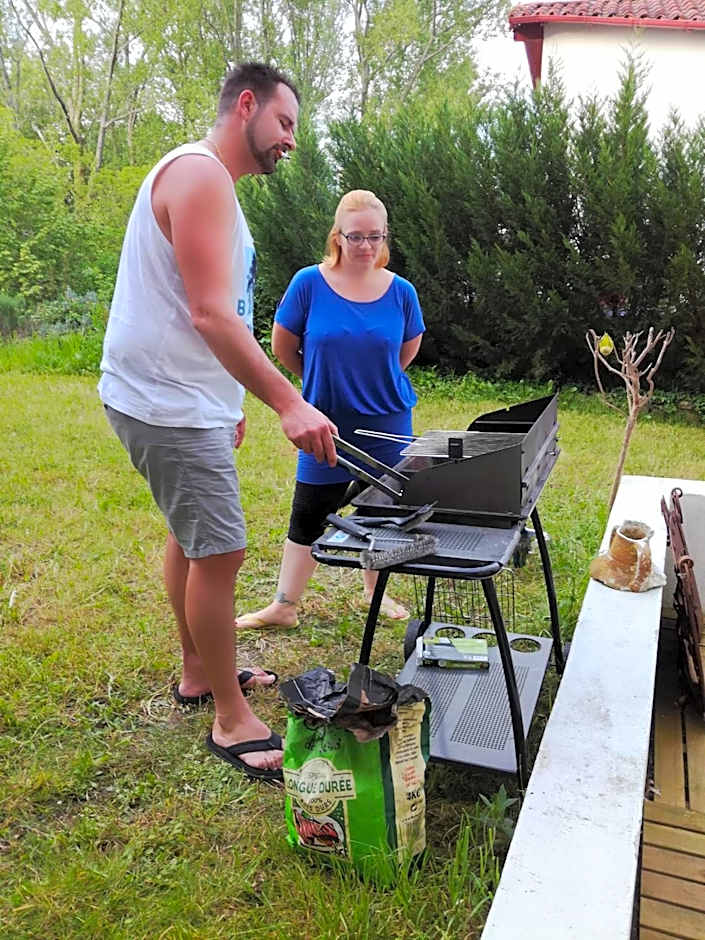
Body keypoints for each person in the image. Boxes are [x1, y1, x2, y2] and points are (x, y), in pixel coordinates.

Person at [98, 63, 337, 784]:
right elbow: (206, 311)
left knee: (194, 538)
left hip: (183, 400)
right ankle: (232, 717)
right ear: (245, 106)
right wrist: (287, 402)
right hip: (163, 399)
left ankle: (200, 671)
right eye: (284, 123)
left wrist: (226, 405)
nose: (289, 140)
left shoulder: (214, 188)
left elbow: (213, 311)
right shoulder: (200, 175)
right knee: (223, 551)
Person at [236, 189, 425, 631]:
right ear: (337, 236)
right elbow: (283, 346)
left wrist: (370, 384)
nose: (365, 246)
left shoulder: (401, 292)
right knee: (310, 512)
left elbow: (406, 350)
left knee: (381, 515)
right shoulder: (308, 283)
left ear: (384, 237)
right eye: (355, 236)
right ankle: (284, 605)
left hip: (389, 422)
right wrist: (321, 383)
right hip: (324, 422)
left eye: (374, 237)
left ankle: (375, 591)